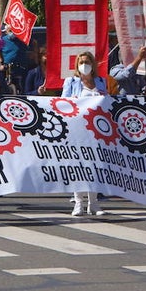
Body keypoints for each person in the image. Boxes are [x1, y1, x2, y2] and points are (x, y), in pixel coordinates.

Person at [62, 52, 109, 216]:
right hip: (77, 130)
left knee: (95, 167)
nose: (84, 64)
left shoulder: (101, 81)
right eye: (81, 62)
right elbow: (62, 103)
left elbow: (108, 102)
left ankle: (93, 204)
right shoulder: (71, 82)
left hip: (97, 131)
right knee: (78, 167)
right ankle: (78, 203)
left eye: (87, 61)